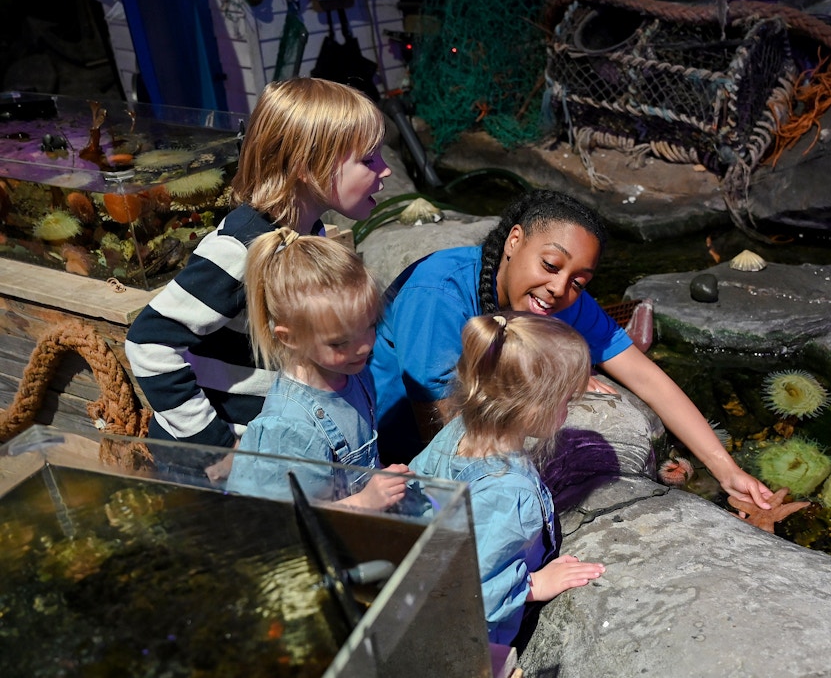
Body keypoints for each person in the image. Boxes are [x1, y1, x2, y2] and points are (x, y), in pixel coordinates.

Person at [370, 188, 775, 510]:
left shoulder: (561, 298)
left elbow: (645, 375)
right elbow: (440, 425)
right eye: (550, 265)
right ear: (514, 241)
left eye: (579, 280)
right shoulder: (439, 292)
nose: (560, 289)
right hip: (387, 458)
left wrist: (726, 469)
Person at [125, 77, 391, 476]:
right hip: (218, 464)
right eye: (368, 160)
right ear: (306, 166)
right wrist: (215, 448)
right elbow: (149, 343)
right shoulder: (240, 251)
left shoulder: (309, 234)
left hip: (276, 445)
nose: (385, 170)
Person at [408, 312, 606, 645]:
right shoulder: (511, 492)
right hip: (471, 643)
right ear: (530, 406)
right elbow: (476, 592)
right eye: (565, 400)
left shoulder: (457, 431)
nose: (567, 410)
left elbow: (416, 490)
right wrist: (535, 584)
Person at [225, 228, 411, 509]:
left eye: (371, 326)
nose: (364, 347)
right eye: (339, 342)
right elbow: (289, 520)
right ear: (290, 338)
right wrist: (366, 500)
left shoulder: (352, 371)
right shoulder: (289, 429)